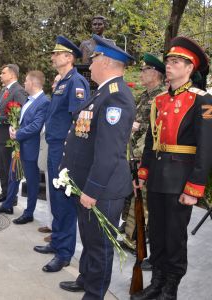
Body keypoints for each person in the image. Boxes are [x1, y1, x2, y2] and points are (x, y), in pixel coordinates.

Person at [131, 37, 212, 300]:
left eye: (175, 62)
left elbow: (206, 148)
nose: (169, 65)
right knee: (157, 231)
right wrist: (143, 173)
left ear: (189, 68)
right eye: (168, 61)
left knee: (175, 237)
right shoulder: (160, 100)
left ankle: (170, 289)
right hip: (157, 176)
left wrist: (195, 187)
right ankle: (156, 283)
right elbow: (152, 141)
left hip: (181, 178)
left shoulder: (204, 100)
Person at [57, 35, 135, 299]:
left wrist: (92, 189)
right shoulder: (102, 92)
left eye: (94, 60)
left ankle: (94, 294)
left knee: (100, 246)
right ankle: (86, 278)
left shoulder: (117, 97)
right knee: (89, 240)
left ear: (107, 62)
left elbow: (108, 152)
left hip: (102, 188)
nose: (89, 66)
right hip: (88, 183)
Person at [33, 36, 90, 273]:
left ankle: (65, 253)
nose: (53, 57)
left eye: (57, 53)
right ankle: (57, 241)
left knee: (64, 201)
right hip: (54, 146)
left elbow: (79, 121)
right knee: (56, 198)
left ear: (69, 57)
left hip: (64, 149)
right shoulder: (63, 82)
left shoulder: (76, 82)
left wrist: (69, 151)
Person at [120, 54, 166, 266]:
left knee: (143, 200)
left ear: (155, 73)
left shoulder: (161, 96)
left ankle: (136, 238)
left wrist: (139, 157)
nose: (141, 73)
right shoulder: (145, 96)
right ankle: (130, 234)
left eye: (145, 69)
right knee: (132, 197)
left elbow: (153, 131)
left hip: (146, 157)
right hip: (133, 153)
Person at [0, 70, 50, 223]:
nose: (24, 84)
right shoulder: (30, 100)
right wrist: (14, 128)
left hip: (31, 148)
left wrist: (18, 134)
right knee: (13, 176)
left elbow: (36, 126)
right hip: (19, 146)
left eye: (26, 81)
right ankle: (8, 204)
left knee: (31, 182)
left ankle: (29, 213)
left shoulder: (44, 101)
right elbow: (22, 121)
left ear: (32, 83)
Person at [0, 64, 27, 204]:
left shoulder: (18, 91)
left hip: (9, 137)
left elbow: (21, 114)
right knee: (3, 168)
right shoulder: (4, 90)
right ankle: (4, 193)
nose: (0, 75)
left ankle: (11, 197)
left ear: (12, 75)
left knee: (10, 168)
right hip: (0, 135)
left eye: (3, 73)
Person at [37, 74, 61, 242]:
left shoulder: (61, 103)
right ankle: (51, 223)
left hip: (58, 152)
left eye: (57, 82)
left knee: (58, 194)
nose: (53, 86)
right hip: (47, 150)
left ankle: (57, 229)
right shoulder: (53, 101)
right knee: (49, 191)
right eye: (53, 82)